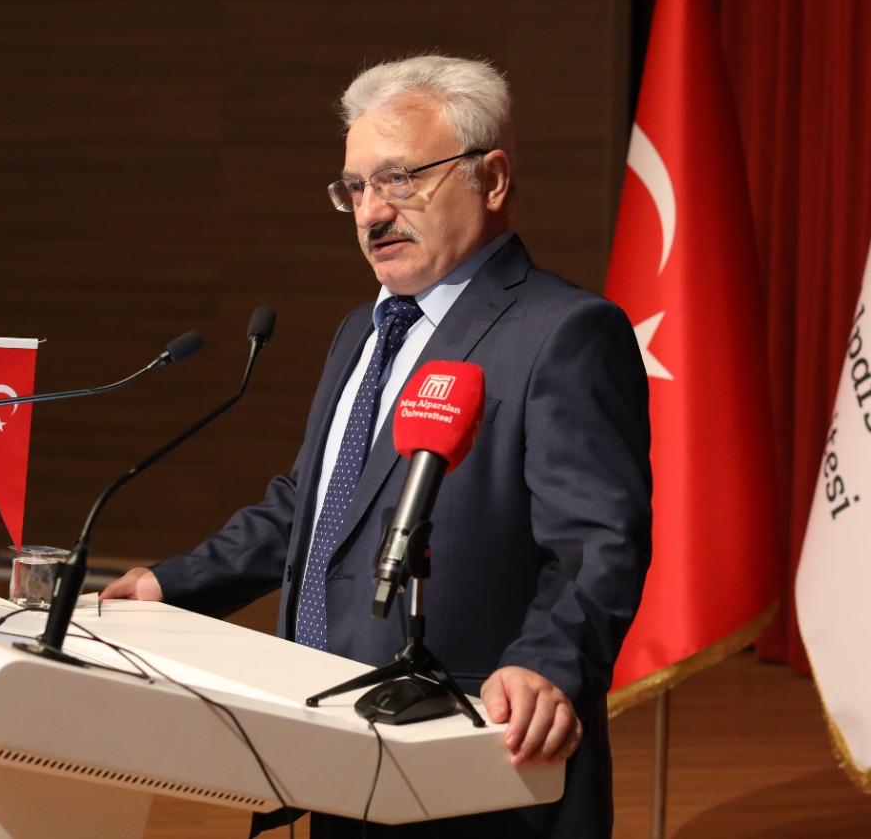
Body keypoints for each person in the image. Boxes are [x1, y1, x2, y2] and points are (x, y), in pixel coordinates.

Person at [102, 54, 651, 837]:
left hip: (471, 753)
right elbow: (314, 504)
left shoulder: (563, 334)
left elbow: (597, 544)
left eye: (399, 179)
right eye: (355, 188)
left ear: (492, 179)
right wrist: (172, 584)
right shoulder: (363, 328)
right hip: (334, 733)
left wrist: (548, 664)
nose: (371, 214)